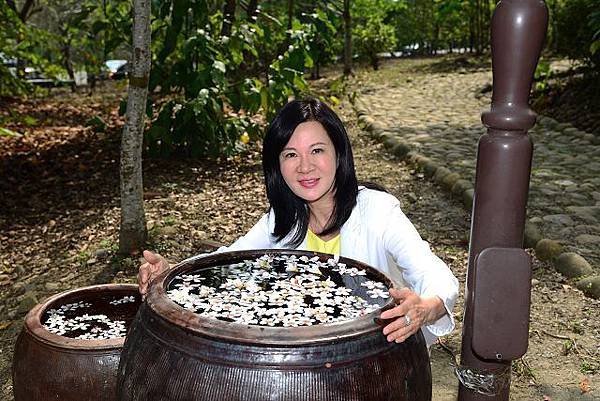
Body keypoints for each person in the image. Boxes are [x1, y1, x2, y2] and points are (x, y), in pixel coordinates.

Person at [138, 97, 459, 347]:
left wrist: (425, 307)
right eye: (290, 154)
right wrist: (171, 272)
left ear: (339, 153)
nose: (305, 166)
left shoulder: (378, 212)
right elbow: (227, 261)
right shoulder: (283, 221)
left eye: (317, 150)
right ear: (277, 166)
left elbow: (435, 276)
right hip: (306, 358)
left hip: (375, 359)